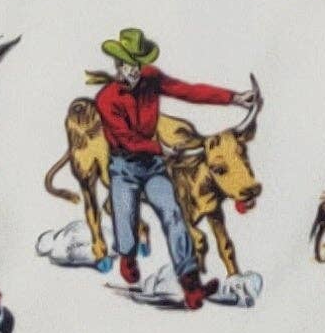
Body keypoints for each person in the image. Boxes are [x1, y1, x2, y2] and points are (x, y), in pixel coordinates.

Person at [86, 25, 240, 307]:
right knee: (125, 218)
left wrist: (233, 98)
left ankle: (191, 286)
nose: (133, 72)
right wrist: (163, 149)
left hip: (153, 167)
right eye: (127, 66)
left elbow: (188, 91)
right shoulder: (106, 99)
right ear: (118, 65)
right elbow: (128, 140)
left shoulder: (151, 78)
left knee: (173, 214)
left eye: (137, 66)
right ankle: (128, 256)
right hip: (124, 167)